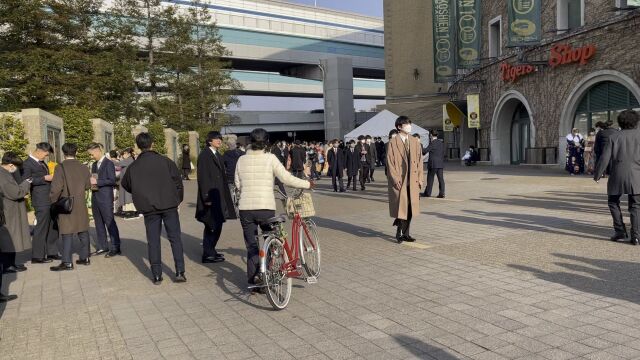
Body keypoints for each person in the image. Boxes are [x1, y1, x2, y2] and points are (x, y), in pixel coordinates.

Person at [234, 128, 313, 288]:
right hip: (265, 207)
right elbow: (286, 178)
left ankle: (254, 279)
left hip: (246, 209)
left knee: (251, 245)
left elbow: (237, 184)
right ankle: (267, 275)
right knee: (269, 240)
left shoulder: (241, 160)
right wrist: (307, 183)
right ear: (266, 142)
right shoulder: (270, 158)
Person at [121, 133, 186, 284]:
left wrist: (140, 193)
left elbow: (126, 184)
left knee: (153, 240)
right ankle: (180, 271)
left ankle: (157, 275)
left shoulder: (134, 166)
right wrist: (177, 199)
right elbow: (178, 181)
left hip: (148, 207)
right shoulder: (165, 161)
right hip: (169, 204)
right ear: (152, 144)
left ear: (138, 146)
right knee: (175, 238)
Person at [594, 110, 640, 245]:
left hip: (617, 173)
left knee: (613, 202)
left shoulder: (614, 137)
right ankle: (636, 236)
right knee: (636, 205)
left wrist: (597, 174)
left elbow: (604, 157)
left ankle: (620, 231)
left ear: (620, 122)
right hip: (637, 174)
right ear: (636, 121)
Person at [49, 143, 92, 271]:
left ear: (63, 153)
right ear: (76, 152)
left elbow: (56, 188)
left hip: (65, 203)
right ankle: (85, 258)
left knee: (67, 232)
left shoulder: (60, 167)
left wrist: (52, 200)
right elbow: (88, 186)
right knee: (83, 230)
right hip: (80, 202)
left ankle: (67, 262)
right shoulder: (83, 167)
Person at [196, 131, 237, 264]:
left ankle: (211, 250)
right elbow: (203, 178)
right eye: (216, 139)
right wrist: (206, 197)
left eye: (220, 138)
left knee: (218, 224)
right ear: (209, 141)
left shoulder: (217, 154)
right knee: (211, 225)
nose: (219, 141)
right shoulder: (204, 155)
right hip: (211, 197)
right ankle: (207, 254)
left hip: (219, 195)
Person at [386, 116, 424, 243]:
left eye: (409, 124)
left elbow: (420, 162)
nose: (409, 126)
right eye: (406, 124)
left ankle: (405, 233)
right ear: (399, 127)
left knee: (411, 207)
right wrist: (395, 178)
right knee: (401, 207)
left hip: (413, 180)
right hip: (400, 180)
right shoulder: (393, 142)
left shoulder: (414, 141)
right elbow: (390, 162)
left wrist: (420, 178)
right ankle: (399, 231)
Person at [22, 142, 59, 263]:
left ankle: (52, 252)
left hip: (50, 198)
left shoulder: (42, 162)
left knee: (53, 226)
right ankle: (37, 256)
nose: (46, 156)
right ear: (38, 151)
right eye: (45, 154)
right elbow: (27, 180)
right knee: (41, 227)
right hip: (40, 200)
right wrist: (44, 178)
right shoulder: (27, 164)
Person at [88, 143, 121, 257]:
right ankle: (102, 246)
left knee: (109, 222)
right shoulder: (94, 165)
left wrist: (98, 182)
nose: (91, 157)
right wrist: (91, 184)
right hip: (95, 197)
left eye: (92, 154)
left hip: (105, 198)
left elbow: (112, 180)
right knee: (98, 223)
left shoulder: (109, 163)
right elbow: (94, 180)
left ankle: (115, 247)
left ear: (98, 151)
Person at [0, 152, 31, 274]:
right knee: (9, 238)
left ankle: (11, 264)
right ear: (11, 165)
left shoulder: (5, 173)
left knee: (11, 237)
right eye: (16, 167)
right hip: (9, 211)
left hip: (10, 210)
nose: (16, 169)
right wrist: (26, 183)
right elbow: (15, 193)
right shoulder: (3, 176)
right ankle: (7, 265)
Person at [423, 130, 446, 198]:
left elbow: (425, 151)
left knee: (430, 179)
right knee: (441, 179)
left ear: (431, 135)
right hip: (440, 163)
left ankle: (428, 193)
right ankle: (442, 193)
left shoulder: (432, 143)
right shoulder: (441, 143)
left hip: (433, 164)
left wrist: (419, 145)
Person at [118, 148, 137, 218]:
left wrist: (109, 160)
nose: (123, 155)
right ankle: (129, 212)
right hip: (126, 181)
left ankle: (131, 213)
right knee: (127, 197)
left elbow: (118, 163)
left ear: (128, 154)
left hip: (127, 181)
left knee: (128, 197)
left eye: (124, 153)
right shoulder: (129, 160)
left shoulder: (129, 160)